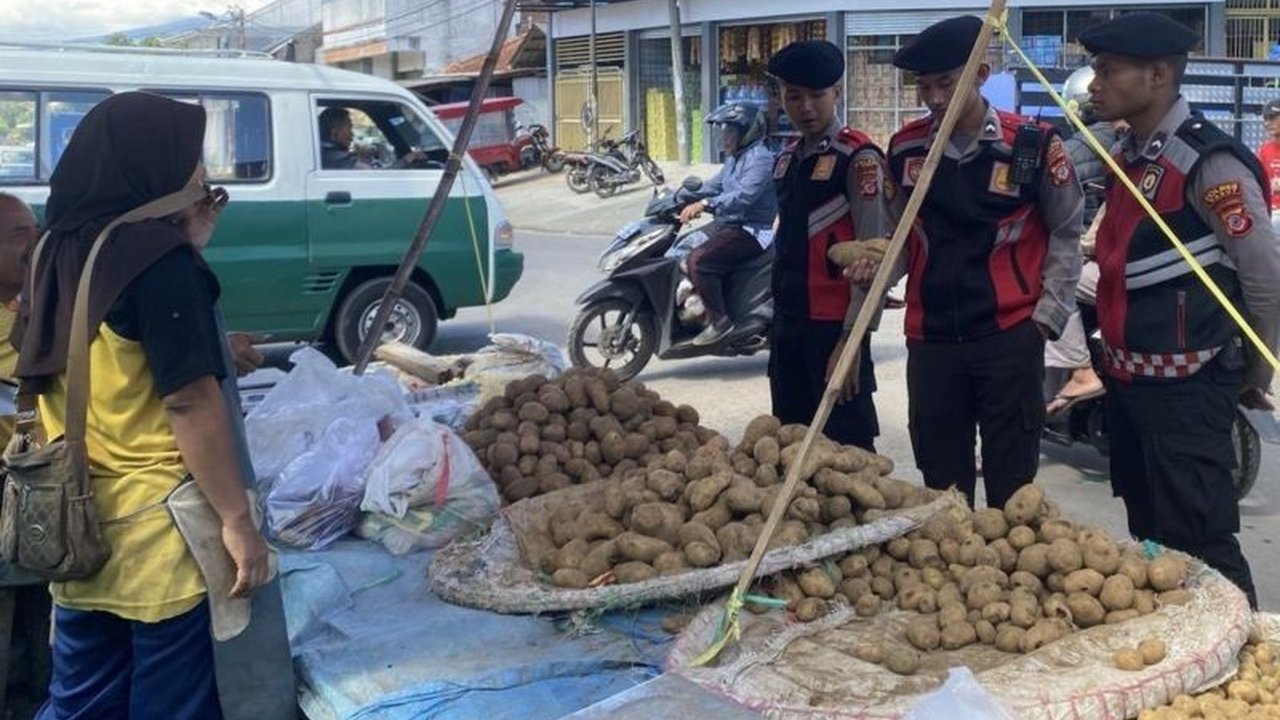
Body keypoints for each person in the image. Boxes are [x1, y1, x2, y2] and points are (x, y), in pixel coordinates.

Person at [18, 91, 271, 719]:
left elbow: (109, 350)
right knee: (171, 702)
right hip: (158, 536)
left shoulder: (54, 250)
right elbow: (188, 401)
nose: (199, 173)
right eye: (190, 158)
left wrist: (189, 238)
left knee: (81, 699)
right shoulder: (160, 266)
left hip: (74, 521)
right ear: (151, 164)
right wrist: (238, 522)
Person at [1080, 12, 1280, 606]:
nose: (1095, 84)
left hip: (1188, 389)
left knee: (1203, 543)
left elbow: (1264, 278)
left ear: (1158, 74)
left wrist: (1259, 368)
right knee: (1152, 543)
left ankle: (1249, 675)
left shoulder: (1208, 163)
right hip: (1129, 381)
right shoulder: (1129, 152)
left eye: (1108, 70)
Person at [850, 15, 1085, 509]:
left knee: (1013, 484)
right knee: (942, 485)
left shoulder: (1031, 145)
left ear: (982, 73)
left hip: (1009, 337)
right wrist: (877, 269)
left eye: (947, 83)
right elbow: (900, 240)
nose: (935, 98)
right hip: (932, 340)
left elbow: (1066, 230)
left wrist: (1045, 320)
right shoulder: (907, 148)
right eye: (925, 86)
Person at [764, 40, 895, 451]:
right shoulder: (787, 159)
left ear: (837, 93)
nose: (805, 107)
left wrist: (852, 340)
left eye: (817, 95)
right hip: (787, 324)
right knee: (791, 442)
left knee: (849, 452)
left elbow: (876, 260)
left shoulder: (859, 159)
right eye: (794, 96)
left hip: (834, 330)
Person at [1043, 66, 1122, 414]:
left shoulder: (1068, 152)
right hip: (1119, 257)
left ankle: (1081, 369)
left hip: (1096, 261)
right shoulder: (1133, 144)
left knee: (1059, 284)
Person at [677, 102, 778, 346]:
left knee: (699, 261)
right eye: (724, 131)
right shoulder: (735, 158)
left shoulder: (761, 159)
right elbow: (714, 185)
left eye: (730, 131)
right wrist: (678, 196)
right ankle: (698, 306)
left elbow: (743, 196)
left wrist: (706, 205)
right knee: (681, 250)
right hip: (729, 226)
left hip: (752, 231)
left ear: (748, 132)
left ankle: (720, 322)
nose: (725, 137)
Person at [319, 107, 425, 170]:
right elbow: (379, 178)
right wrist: (406, 160)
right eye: (349, 128)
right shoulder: (340, 159)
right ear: (335, 133)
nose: (352, 134)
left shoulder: (324, 155)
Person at [1256, 98, 1280, 226]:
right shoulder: (1264, 150)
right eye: (1265, 119)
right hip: (1269, 212)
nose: (1267, 123)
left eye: (1272, 118)